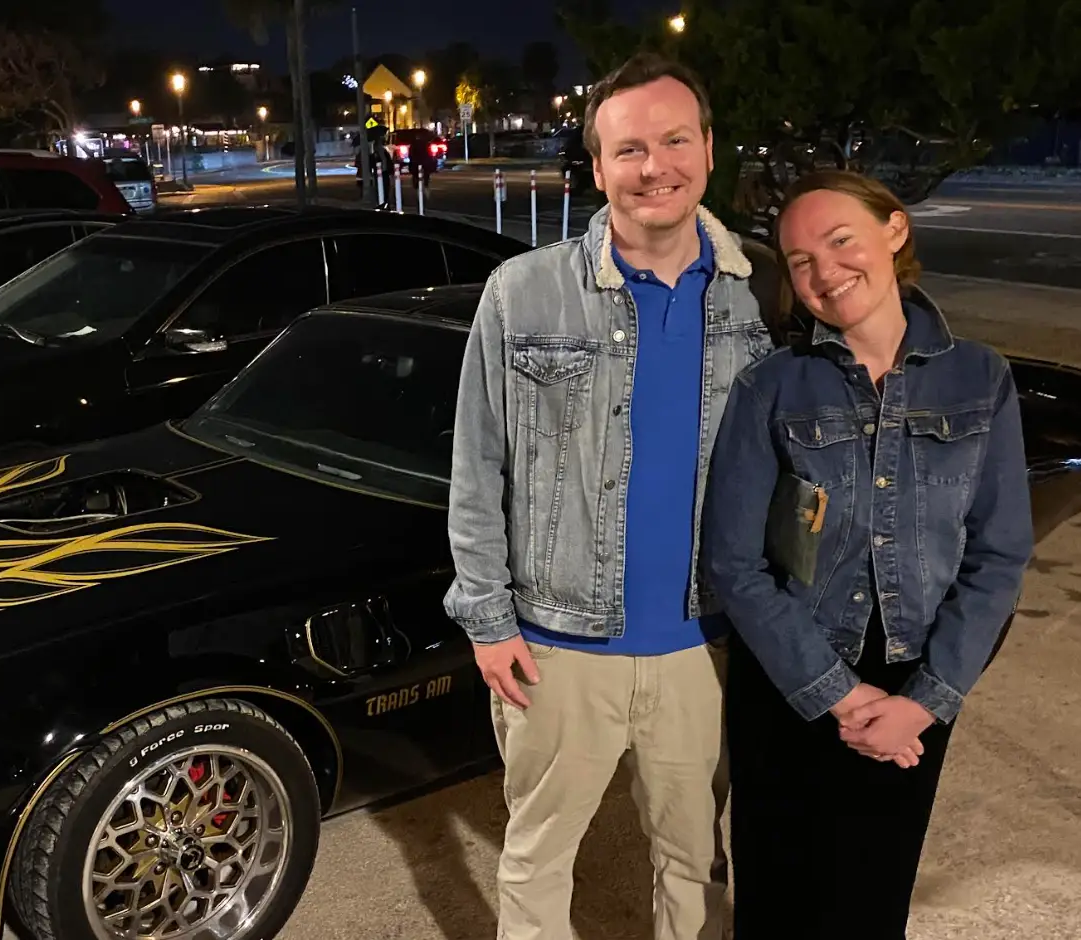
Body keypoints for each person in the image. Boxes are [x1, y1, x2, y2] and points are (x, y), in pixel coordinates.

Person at [443, 51, 777, 940]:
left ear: (708, 149)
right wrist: (487, 619)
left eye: (674, 140)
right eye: (628, 149)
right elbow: (478, 465)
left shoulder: (762, 296)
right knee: (538, 858)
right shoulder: (522, 291)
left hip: (702, 647)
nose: (652, 166)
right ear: (597, 168)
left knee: (693, 861)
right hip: (555, 651)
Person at [700, 169, 1034, 939]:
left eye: (839, 240)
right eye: (799, 259)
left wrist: (924, 700)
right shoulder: (773, 387)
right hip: (791, 680)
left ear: (893, 232)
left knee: (869, 903)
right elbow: (736, 564)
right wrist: (838, 695)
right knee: (780, 902)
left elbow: (998, 555)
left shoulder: (979, 379)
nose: (823, 271)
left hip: (913, 684)